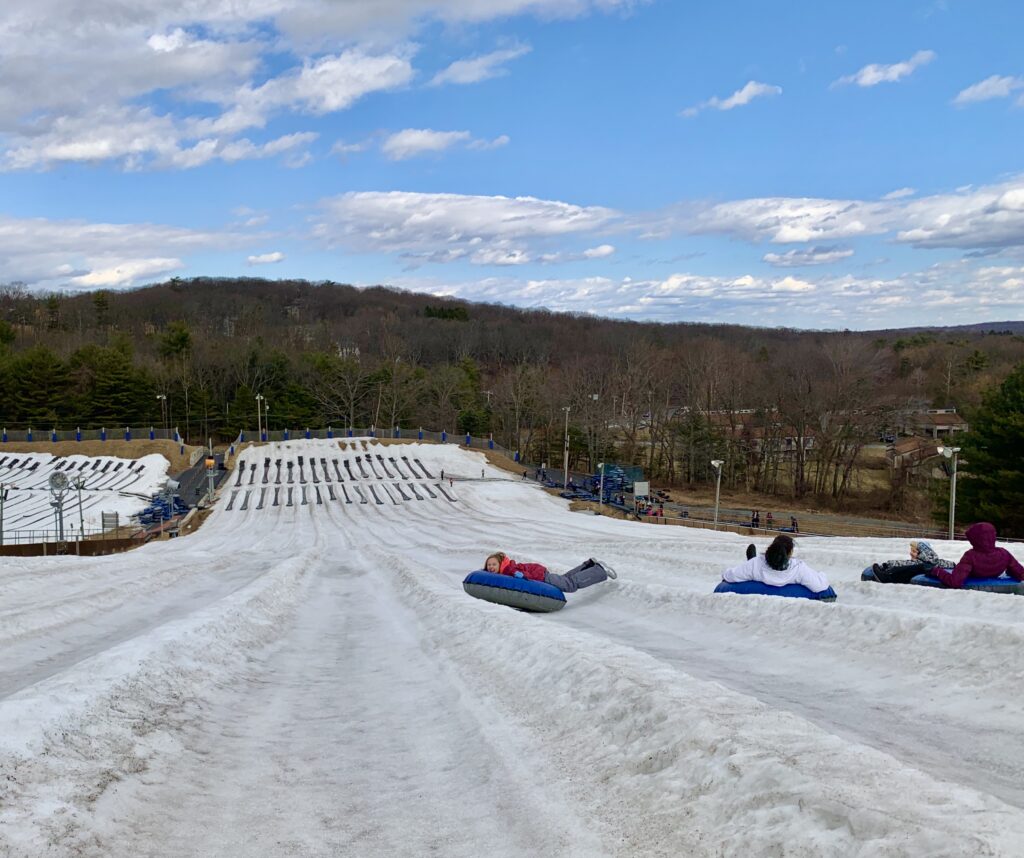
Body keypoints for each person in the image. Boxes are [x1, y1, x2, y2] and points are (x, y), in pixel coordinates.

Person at [722, 535, 831, 593]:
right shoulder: (798, 568)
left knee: (750, 567)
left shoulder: (756, 564)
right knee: (751, 567)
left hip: (757, 568)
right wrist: (822, 574)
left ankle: (751, 559)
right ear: (790, 553)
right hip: (785, 574)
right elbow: (819, 586)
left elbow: (729, 576)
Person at [934, 522, 1024, 589]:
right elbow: (1021, 574)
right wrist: (1012, 572)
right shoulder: (1004, 554)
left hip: (973, 594)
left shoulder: (970, 556)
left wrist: (936, 571)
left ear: (974, 539)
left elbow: (955, 582)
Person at [484, 552, 617, 593]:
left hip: (541, 577)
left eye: (493, 564)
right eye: (489, 565)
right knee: (565, 579)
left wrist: (522, 576)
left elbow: (524, 576)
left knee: (569, 585)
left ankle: (599, 570)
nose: (491, 567)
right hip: (541, 574)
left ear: (501, 564)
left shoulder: (509, 570)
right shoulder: (506, 570)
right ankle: (589, 565)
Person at [871, 540, 956, 584]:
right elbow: (903, 563)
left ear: (923, 553)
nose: (911, 553)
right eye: (911, 551)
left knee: (918, 566)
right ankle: (887, 574)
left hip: (927, 571)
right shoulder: (919, 563)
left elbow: (951, 564)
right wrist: (887, 565)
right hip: (923, 569)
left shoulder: (930, 561)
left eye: (914, 551)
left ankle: (887, 578)